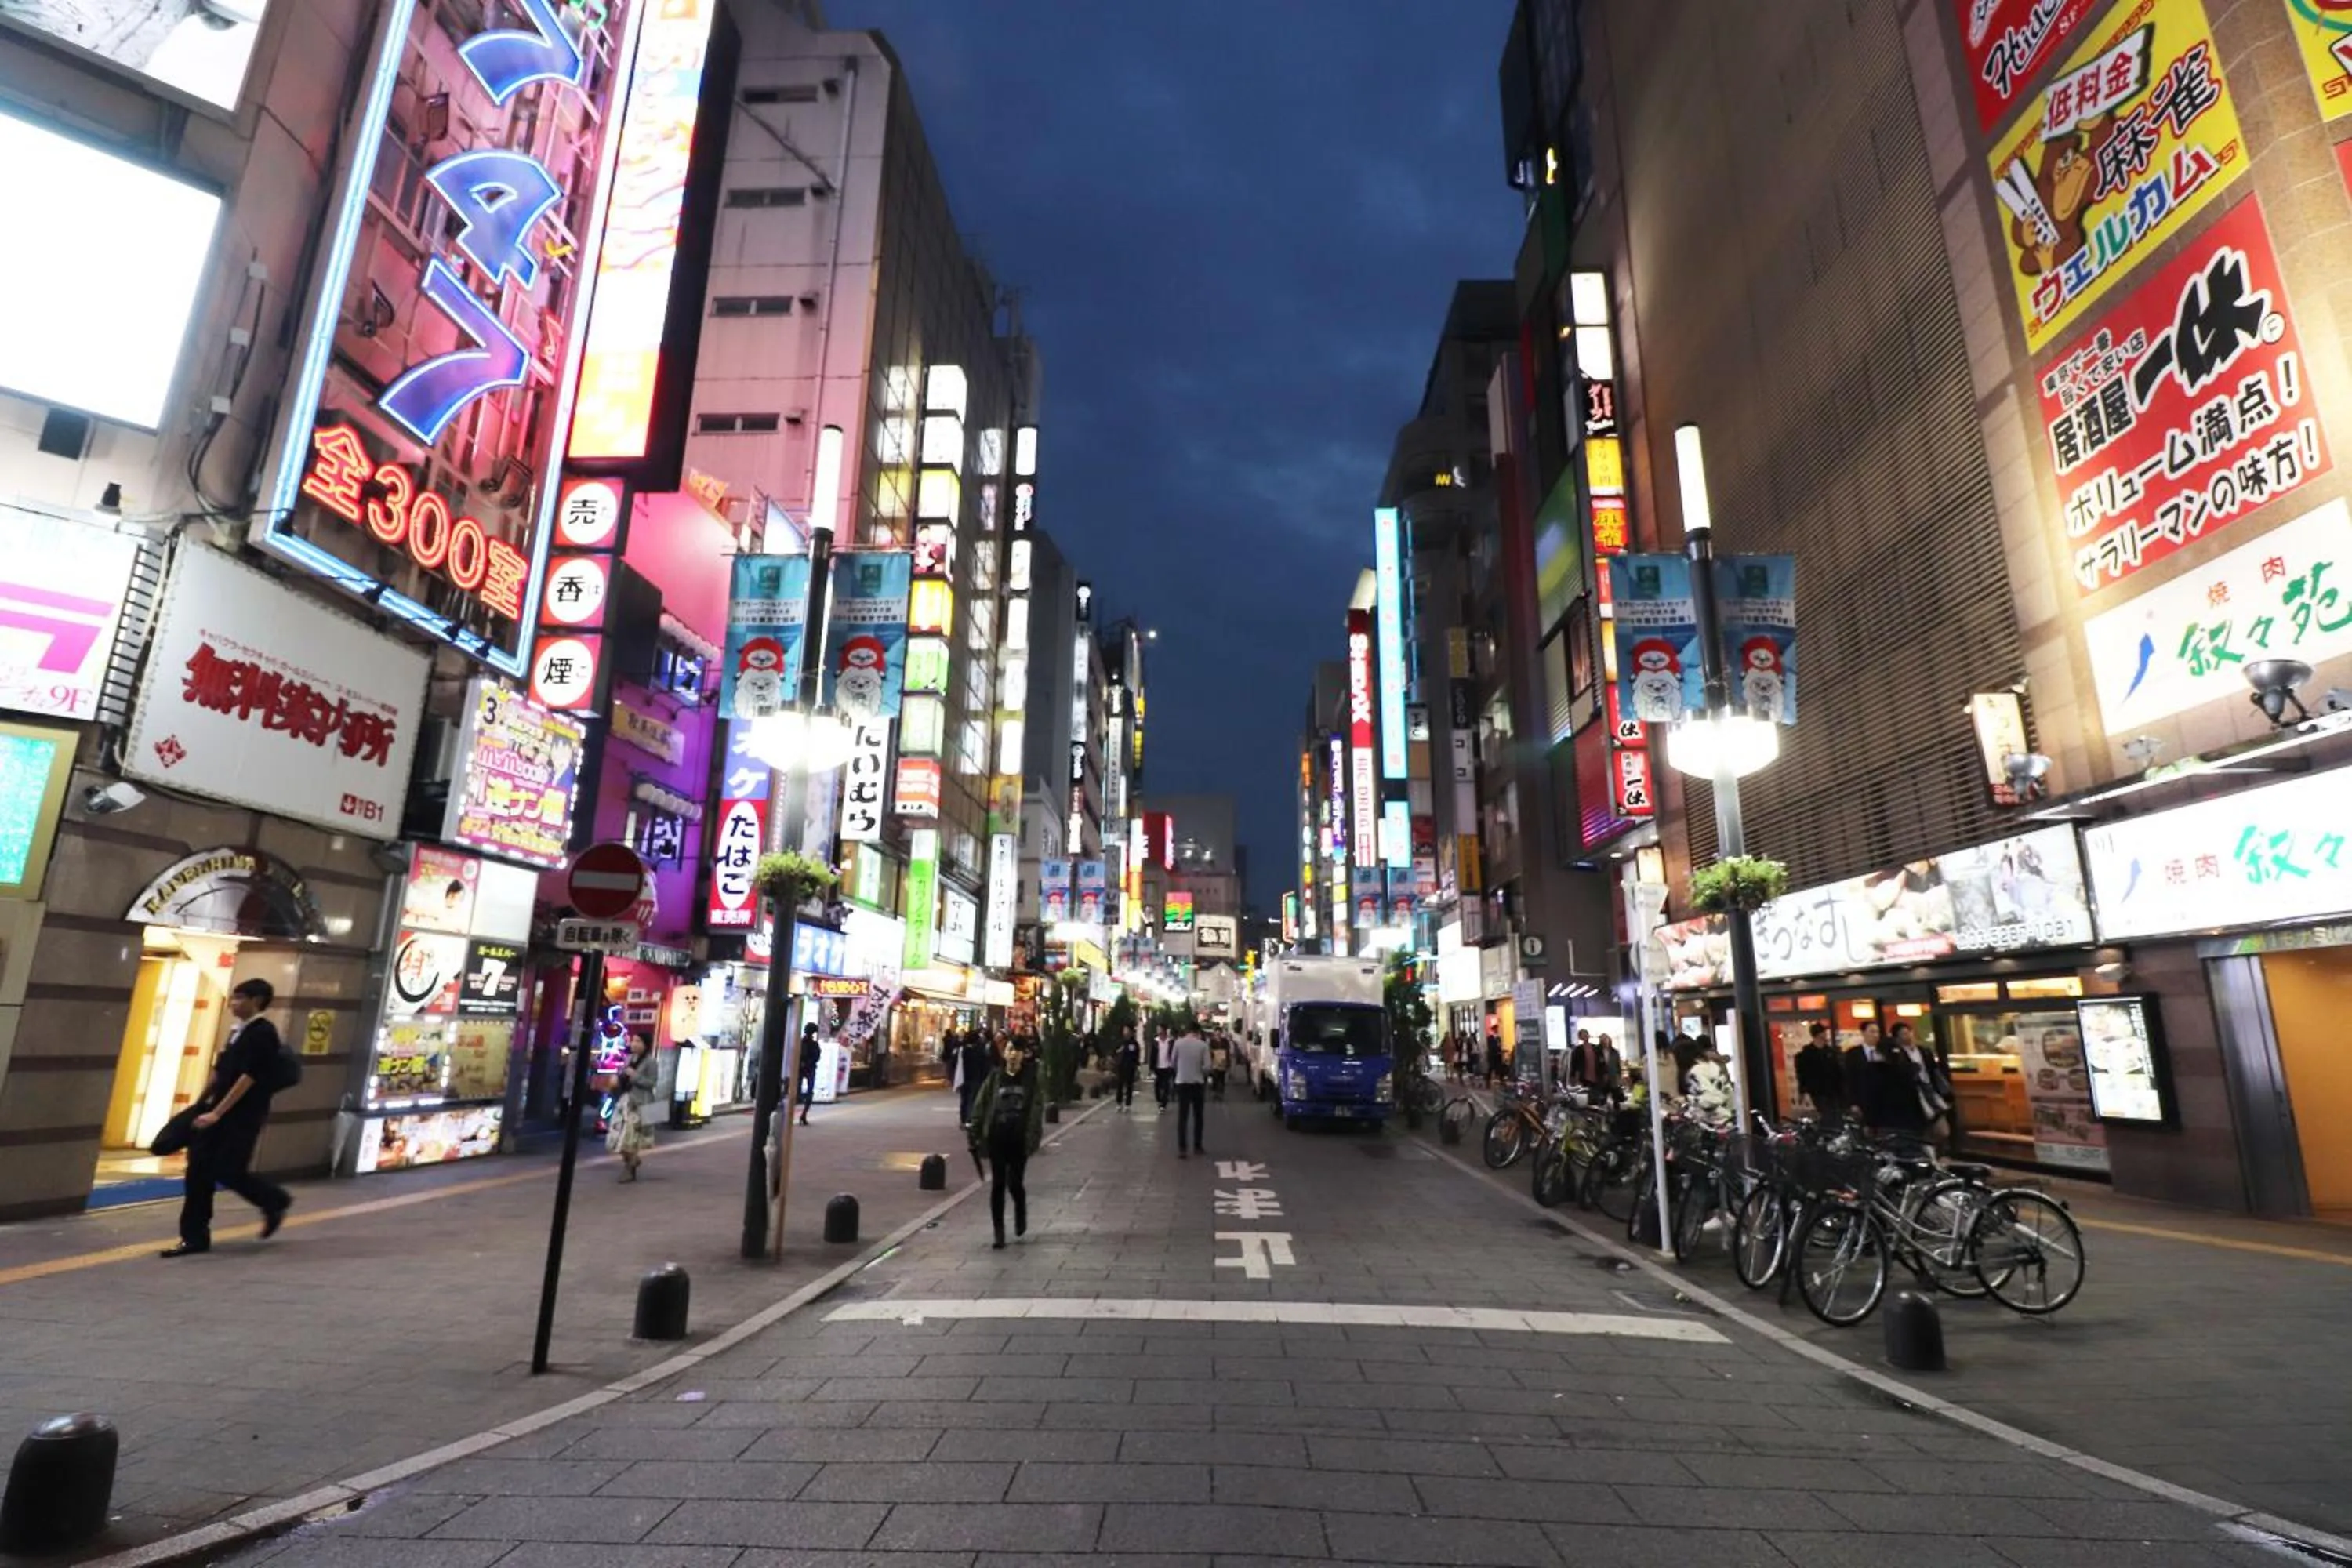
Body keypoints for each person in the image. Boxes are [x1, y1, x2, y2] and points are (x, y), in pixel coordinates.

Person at [163, 978, 294, 1257]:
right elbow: (221, 1072)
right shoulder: (237, 1031)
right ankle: (194, 1237)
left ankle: (274, 1200)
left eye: (239, 998)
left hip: (242, 1117)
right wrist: (201, 1104)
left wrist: (218, 1112)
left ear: (257, 1001)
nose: (232, 1004)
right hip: (215, 1113)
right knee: (198, 1171)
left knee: (228, 1169)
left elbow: (249, 1077)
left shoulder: (263, 1033)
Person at [967, 1037, 1045, 1248]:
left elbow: (1037, 1109)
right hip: (997, 1138)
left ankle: (1020, 1210)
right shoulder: (995, 1078)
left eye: (1018, 1051)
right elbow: (981, 1105)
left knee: (1015, 1184)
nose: (1013, 1054)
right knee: (998, 1185)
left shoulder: (1030, 1079)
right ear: (1004, 1053)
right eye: (1010, 1050)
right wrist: (974, 1129)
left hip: (1018, 1140)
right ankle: (998, 1232)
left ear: (1023, 1055)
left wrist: (1034, 1135)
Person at [1887, 1021, 1955, 1147]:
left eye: (1909, 1032)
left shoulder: (1924, 1051)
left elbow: (1934, 1071)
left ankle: (1937, 1151)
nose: (1908, 1036)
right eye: (1903, 1034)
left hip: (1930, 1091)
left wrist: (1943, 1091)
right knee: (1924, 1128)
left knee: (1943, 1130)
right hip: (1914, 1095)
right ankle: (1930, 1154)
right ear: (1897, 1038)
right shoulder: (1897, 1055)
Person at [608, 1031, 659, 1178]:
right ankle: (633, 1161)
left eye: (639, 1041)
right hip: (625, 1102)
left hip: (640, 1103)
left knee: (631, 1138)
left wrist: (635, 1076)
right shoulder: (629, 1058)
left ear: (646, 1044)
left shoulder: (651, 1062)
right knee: (616, 1135)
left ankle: (629, 1169)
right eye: (633, 1040)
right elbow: (623, 1078)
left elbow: (652, 1083)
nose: (634, 1044)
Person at [1171, 1021, 1210, 1157]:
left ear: (1187, 1030)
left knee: (1183, 1117)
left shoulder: (1178, 1043)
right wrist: (1201, 1073)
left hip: (1182, 1082)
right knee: (1198, 1116)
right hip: (1197, 1083)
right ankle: (1197, 1146)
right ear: (1198, 1032)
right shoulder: (1203, 1045)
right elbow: (1207, 1067)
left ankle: (1182, 1148)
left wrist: (1181, 1071)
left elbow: (1173, 1062)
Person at [1794, 1021, 1846, 1121]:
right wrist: (1802, 1091)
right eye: (1824, 1032)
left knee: (1836, 1115)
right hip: (1818, 1091)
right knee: (1826, 1115)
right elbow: (1802, 1074)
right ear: (1818, 1034)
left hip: (1833, 1090)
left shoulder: (1831, 1052)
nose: (1826, 1035)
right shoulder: (1806, 1054)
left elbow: (1839, 1071)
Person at [1569, 1030, 1622, 1100]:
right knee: (1588, 1096)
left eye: (1586, 1034)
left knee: (1601, 1096)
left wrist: (1606, 1073)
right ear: (1580, 1037)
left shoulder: (1595, 1048)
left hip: (1598, 1077)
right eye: (1583, 1035)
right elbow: (1575, 1064)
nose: (1585, 1036)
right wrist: (1574, 1078)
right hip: (1585, 1076)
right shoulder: (1578, 1049)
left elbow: (1603, 1062)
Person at [956, 1029, 992, 1127]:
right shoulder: (981, 1049)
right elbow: (985, 1064)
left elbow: (956, 1064)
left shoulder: (963, 1050)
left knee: (964, 1099)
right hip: (976, 1078)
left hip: (964, 1078)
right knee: (973, 1099)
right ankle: (970, 1119)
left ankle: (963, 1119)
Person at [795, 1022, 822, 1125]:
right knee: (809, 1091)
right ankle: (803, 1114)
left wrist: (803, 1063)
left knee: (797, 1090)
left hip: (801, 1069)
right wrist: (809, 1062)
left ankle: (802, 1114)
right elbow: (817, 1057)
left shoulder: (801, 1043)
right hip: (810, 1069)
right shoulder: (814, 1044)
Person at [1114, 1025, 1141, 1111]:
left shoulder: (1134, 1043)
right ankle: (1119, 1103)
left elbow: (1136, 1055)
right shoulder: (1120, 1042)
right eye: (1124, 1030)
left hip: (1130, 1067)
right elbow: (1115, 1051)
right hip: (1121, 1066)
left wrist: (1136, 1066)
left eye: (1127, 1030)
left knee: (1129, 1085)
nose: (1125, 1032)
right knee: (1120, 1085)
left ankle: (1128, 1104)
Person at [1154, 1027, 1176, 1110]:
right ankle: (1159, 1099)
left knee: (1166, 1085)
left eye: (1159, 1029)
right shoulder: (1155, 1041)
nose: (1158, 1031)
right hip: (1158, 1066)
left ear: (1164, 1030)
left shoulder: (1170, 1042)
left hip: (1168, 1066)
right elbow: (1153, 1054)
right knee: (1158, 1085)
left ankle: (1164, 1103)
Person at [1208, 1032, 1231, 1102]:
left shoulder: (1225, 1042)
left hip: (1222, 1063)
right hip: (1215, 1063)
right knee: (1215, 1078)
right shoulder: (1212, 1042)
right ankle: (1215, 1094)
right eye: (1216, 1034)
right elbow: (1210, 1052)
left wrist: (1228, 1063)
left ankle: (1220, 1094)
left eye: (1219, 1034)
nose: (1218, 1036)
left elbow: (1228, 1053)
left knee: (1221, 1079)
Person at [1483, 1022, 1504, 1088]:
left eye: (1497, 1029)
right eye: (1496, 1029)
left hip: (1498, 1056)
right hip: (1492, 1056)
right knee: (1490, 1069)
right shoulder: (1490, 1038)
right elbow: (1491, 1047)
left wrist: (1500, 1051)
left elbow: (1500, 1046)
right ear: (1493, 1030)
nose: (1497, 1030)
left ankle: (1501, 1081)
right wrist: (1496, 1050)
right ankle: (1488, 1082)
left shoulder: (1499, 1038)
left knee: (1500, 1069)